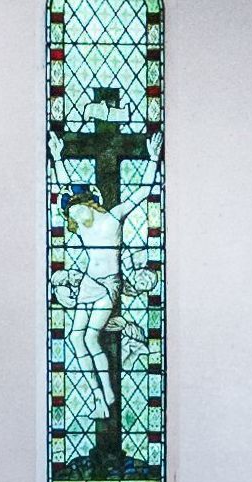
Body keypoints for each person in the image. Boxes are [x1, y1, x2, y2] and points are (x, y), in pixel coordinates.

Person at [50, 132, 163, 427]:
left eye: (78, 209)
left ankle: (107, 394)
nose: (76, 216)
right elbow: (63, 187)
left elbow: (141, 194)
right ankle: (98, 397)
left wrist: (153, 159)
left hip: (108, 285)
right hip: (89, 282)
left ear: (90, 204)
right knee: (75, 338)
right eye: (72, 215)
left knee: (90, 337)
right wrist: (57, 157)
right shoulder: (82, 229)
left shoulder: (113, 218)